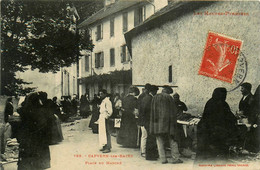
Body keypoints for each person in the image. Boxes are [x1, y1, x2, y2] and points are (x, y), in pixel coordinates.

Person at [196, 88, 238, 162]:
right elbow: (228, 117)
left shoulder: (211, 102)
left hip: (207, 132)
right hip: (213, 133)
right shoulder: (220, 103)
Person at [17, 92, 51, 170]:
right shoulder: (40, 111)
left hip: (27, 141)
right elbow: (45, 126)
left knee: (27, 162)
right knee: (38, 163)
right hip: (39, 141)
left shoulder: (23, 111)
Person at [150, 85, 183, 164]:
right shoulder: (169, 98)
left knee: (159, 140)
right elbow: (173, 111)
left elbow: (153, 111)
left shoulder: (155, 97)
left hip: (157, 124)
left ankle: (163, 159)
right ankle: (176, 158)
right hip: (168, 123)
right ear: (168, 91)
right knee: (172, 139)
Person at [143, 85, 159, 160]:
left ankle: (151, 154)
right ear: (153, 91)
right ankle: (150, 156)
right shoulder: (150, 99)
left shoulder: (146, 98)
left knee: (150, 138)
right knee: (151, 138)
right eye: (156, 91)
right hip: (149, 121)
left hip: (146, 121)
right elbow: (149, 111)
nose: (156, 93)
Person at [137, 83, 151, 157]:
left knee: (143, 135)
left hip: (141, 118)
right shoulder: (147, 97)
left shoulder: (141, 96)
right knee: (145, 135)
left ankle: (142, 150)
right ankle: (143, 152)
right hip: (145, 119)